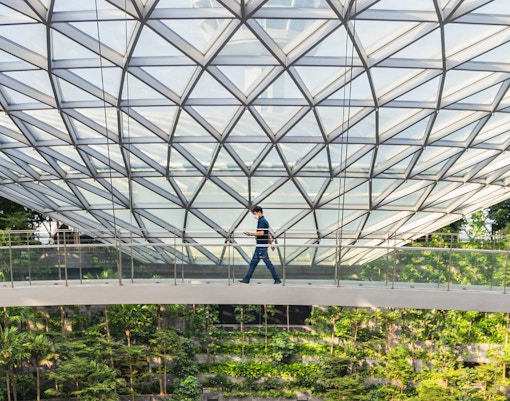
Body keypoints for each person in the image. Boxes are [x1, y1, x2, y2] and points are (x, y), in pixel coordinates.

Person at [239, 206, 282, 284]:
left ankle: (277, 279)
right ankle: (246, 279)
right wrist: (271, 243)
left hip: (261, 246)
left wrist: (250, 234)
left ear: (259, 212)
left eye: (254, 213)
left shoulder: (262, 221)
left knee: (267, 263)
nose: (254, 216)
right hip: (261, 246)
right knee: (253, 263)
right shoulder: (264, 220)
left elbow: (262, 233)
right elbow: (267, 233)